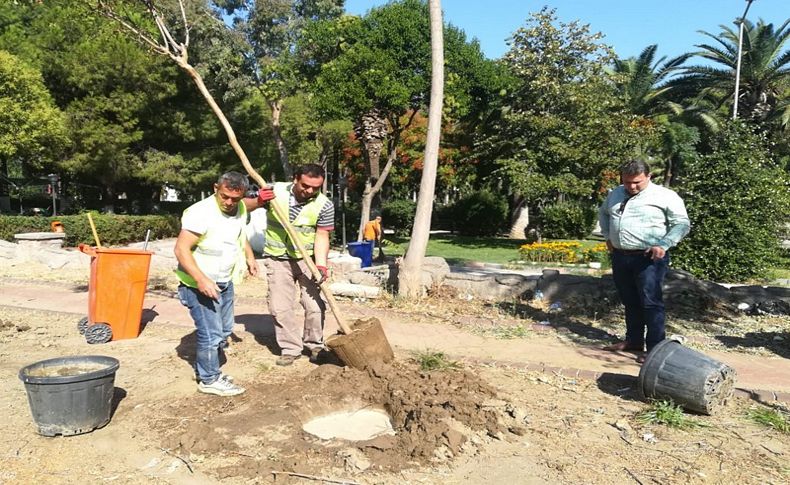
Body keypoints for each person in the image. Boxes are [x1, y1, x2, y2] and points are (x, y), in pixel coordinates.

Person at [174, 171, 258, 396]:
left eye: (235, 199)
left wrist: (249, 257)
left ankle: (211, 367)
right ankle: (209, 378)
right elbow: (181, 249)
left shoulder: (239, 208)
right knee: (210, 333)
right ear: (215, 188)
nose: (229, 203)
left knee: (224, 329)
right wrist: (201, 279)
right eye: (225, 197)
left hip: (224, 280)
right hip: (198, 283)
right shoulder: (200, 213)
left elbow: (240, 233)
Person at [598, 160, 690, 363]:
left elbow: (682, 223)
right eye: (627, 182)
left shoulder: (665, 196)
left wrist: (664, 244)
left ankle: (655, 348)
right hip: (621, 256)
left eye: (637, 182)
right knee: (629, 300)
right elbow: (604, 213)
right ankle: (634, 341)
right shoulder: (615, 193)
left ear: (649, 177)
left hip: (649, 257)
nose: (631, 186)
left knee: (651, 302)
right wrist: (607, 237)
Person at [245, 164, 334, 366]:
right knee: (280, 307)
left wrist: (321, 266)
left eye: (315, 188)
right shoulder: (273, 190)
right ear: (295, 179)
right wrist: (259, 201)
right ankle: (290, 348)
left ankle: (314, 345)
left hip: (307, 259)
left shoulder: (325, 204)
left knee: (314, 305)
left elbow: (322, 235)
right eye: (305, 186)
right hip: (277, 258)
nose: (310, 191)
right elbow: (242, 206)